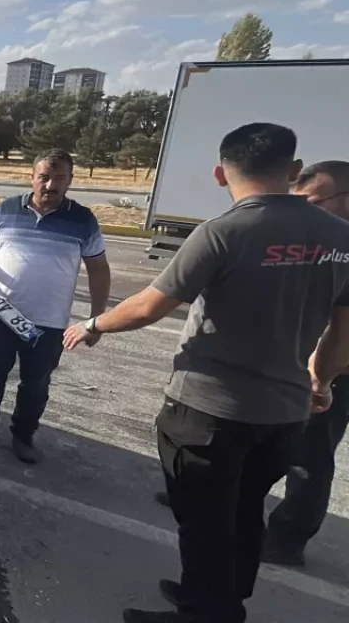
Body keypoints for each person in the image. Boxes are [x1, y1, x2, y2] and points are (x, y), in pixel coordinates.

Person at [61, 125, 349, 623]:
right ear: (294, 170)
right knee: (243, 511)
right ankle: (222, 597)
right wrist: (320, 380)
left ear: (221, 174)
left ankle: (206, 612)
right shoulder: (341, 238)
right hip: (283, 416)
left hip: (208, 412)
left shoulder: (225, 232)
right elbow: (343, 330)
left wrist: (92, 323)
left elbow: (150, 306)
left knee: (204, 522)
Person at [0, 149, 111, 464]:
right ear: (32, 177)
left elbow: (98, 269)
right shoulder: (6, 209)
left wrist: (97, 319)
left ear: (70, 181)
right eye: (44, 177)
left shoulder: (83, 221)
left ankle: (23, 436)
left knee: (36, 384)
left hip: (48, 323)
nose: (50, 185)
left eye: (59, 178)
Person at [261, 160, 349, 568]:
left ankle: (288, 537)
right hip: (295, 359)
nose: (302, 211)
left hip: (331, 371)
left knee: (308, 455)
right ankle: (215, 499)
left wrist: (322, 378)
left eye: (313, 202)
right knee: (258, 434)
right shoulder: (323, 241)